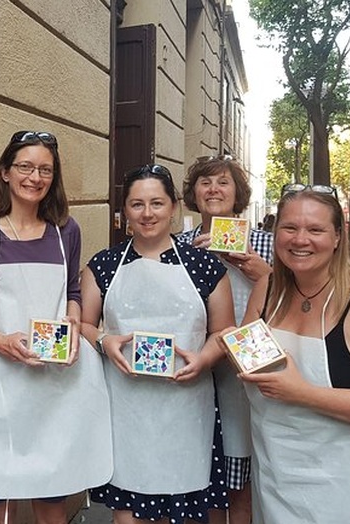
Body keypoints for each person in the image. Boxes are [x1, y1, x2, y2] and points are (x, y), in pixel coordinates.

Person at [236, 183, 350, 523]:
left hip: (349, 484)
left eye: (315, 229)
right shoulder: (267, 288)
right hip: (276, 473)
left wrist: (303, 394)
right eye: (289, 227)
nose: (300, 239)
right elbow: (248, 355)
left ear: (337, 237)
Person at [0, 131, 112, 524]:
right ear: (5, 173)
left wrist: (75, 321)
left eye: (45, 169)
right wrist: (0, 341)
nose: (35, 177)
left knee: (52, 494)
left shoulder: (67, 231)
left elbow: (73, 290)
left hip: (55, 379)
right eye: (25, 166)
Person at [80, 164, 235, 524]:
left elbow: (224, 331)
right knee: (126, 516)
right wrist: (105, 341)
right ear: (125, 211)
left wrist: (205, 359)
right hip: (125, 409)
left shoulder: (206, 267)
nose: (147, 214)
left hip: (186, 407)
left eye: (156, 203)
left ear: (174, 207)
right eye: (137, 204)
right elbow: (84, 325)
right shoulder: (102, 265)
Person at [177, 154, 273, 524]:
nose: (214, 189)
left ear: (238, 193)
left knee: (239, 480)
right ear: (193, 193)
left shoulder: (263, 244)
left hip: (244, 372)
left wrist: (262, 272)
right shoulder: (180, 244)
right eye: (205, 182)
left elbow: (292, 304)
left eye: (223, 182)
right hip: (193, 364)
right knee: (200, 473)